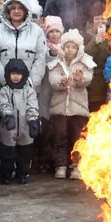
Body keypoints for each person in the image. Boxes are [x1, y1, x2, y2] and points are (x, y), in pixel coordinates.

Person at [46, 30, 92, 180]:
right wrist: (61, 81)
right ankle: (61, 165)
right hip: (60, 109)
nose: (69, 49)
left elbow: (88, 78)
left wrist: (79, 79)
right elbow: (52, 79)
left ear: (78, 49)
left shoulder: (85, 61)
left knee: (77, 139)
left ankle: (77, 167)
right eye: (67, 46)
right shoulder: (56, 62)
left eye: (73, 47)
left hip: (78, 110)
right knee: (60, 138)